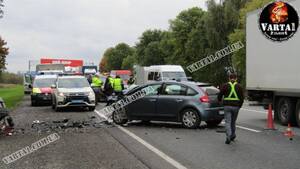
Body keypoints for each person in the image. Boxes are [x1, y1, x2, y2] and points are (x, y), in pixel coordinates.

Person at [218, 73, 244, 144]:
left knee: (228, 122)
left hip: (227, 106)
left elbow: (220, 95)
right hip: (236, 107)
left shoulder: (225, 85)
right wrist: (239, 106)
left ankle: (228, 136)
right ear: (236, 79)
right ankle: (233, 135)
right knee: (233, 122)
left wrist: (220, 101)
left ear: (229, 78)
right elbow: (242, 98)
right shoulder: (239, 86)